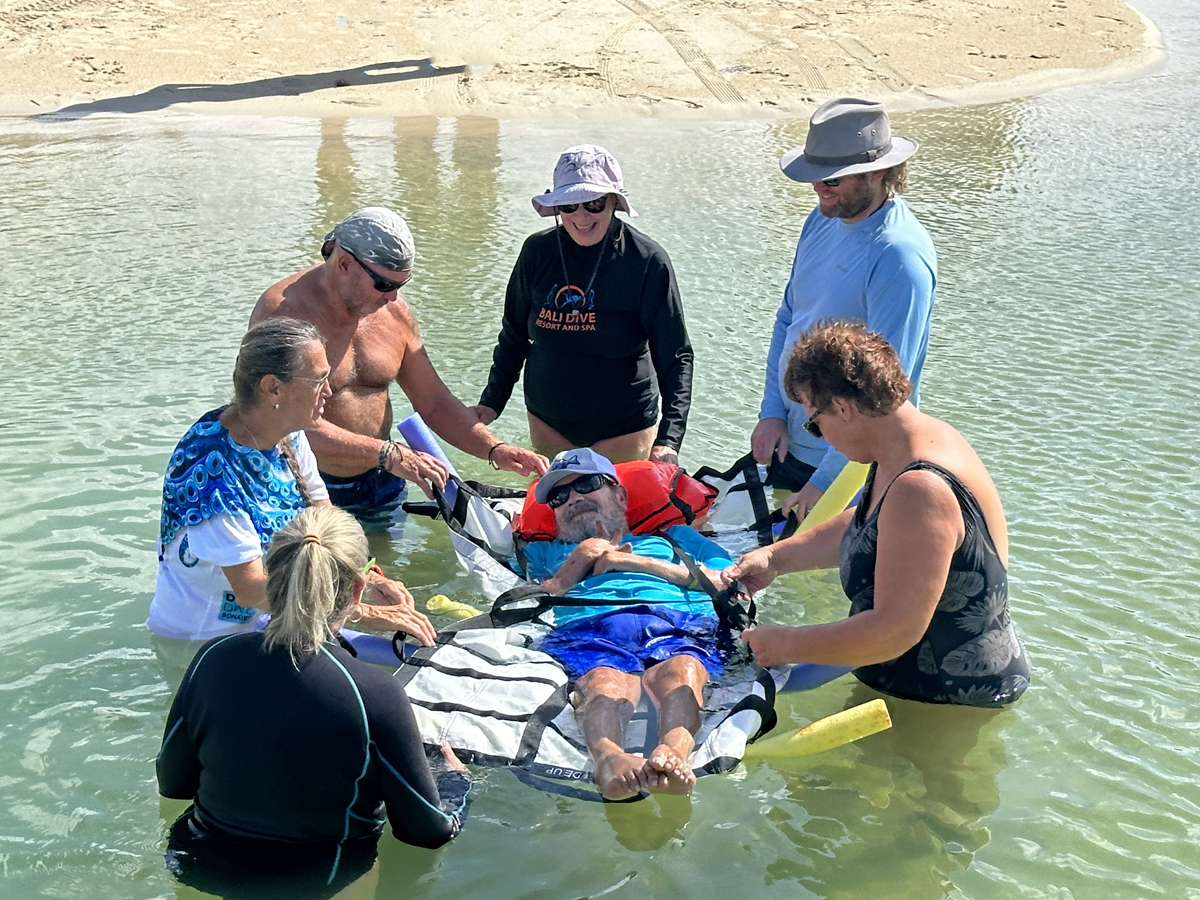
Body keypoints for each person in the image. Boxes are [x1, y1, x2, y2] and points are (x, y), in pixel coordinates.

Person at [157, 506, 471, 897]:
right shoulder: (375, 694)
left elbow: (173, 784)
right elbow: (428, 832)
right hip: (321, 883)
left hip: (196, 866)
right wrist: (455, 780)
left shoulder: (211, 659)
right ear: (357, 591)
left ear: (270, 575)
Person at [723, 323, 1029, 707]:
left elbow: (894, 632)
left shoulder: (921, 489)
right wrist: (776, 558)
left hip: (945, 703)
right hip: (910, 685)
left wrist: (786, 643)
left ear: (844, 408)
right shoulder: (915, 443)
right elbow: (870, 528)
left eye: (814, 424)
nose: (820, 435)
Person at [149, 317, 435, 645]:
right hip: (202, 641)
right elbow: (251, 590)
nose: (329, 391)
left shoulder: (290, 433)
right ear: (273, 387)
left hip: (278, 620)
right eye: (318, 380)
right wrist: (360, 611)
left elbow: (327, 524)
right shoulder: (211, 474)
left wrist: (365, 578)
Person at [250, 207, 547, 515]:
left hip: (383, 480)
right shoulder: (281, 314)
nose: (392, 297)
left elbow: (433, 401)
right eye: (384, 285)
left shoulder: (393, 313)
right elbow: (279, 420)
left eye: (400, 285)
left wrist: (494, 449)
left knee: (385, 565)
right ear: (344, 264)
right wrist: (388, 454)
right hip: (302, 487)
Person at [752, 97, 937, 520]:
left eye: (831, 180)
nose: (819, 188)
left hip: (854, 470)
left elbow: (883, 394)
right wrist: (772, 413)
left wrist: (825, 483)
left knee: (829, 585)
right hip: (793, 444)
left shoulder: (899, 257)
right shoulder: (821, 218)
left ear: (876, 173)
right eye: (815, 177)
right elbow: (789, 319)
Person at [519, 448, 733, 799]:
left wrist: (629, 562)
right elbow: (529, 605)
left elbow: (726, 581)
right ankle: (608, 760)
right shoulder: (545, 554)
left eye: (586, 485)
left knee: (683, 669)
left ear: (619, 495)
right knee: (603, 682)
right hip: (590, 624)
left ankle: (675, 752)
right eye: (560, 496)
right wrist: (582, 557)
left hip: (676, 618)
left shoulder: (675, 539)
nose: (574, 498)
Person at [474, 145, 693, 465]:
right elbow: (514, 335)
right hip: (549, 425)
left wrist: (669, 440)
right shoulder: (536, 252)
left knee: (622, 513)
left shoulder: (646, 261)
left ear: (615, 201)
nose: (581, 216)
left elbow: (676, 355)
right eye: (569, 205)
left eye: (594, 203)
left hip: (624, 430)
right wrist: (491, 403)